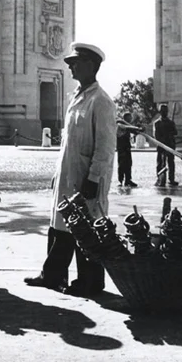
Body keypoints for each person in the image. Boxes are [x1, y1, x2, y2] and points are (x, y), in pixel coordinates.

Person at [24, 42, 117, 297]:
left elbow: (106, 146)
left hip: (87, 176)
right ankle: (52, 275)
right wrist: (57, 173)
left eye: (75, 63)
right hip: (68, 173)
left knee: (87, 230)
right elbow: (67, 142)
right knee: (61, 225)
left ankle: (91, 283)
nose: (71, 67)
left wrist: (95, 177)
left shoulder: (101, 101)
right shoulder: (76, 96)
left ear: (91, 66)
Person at [153, 103, 179, 187]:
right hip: (161, 145)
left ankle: (171, 179)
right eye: (163, 111)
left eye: (166, 111)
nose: (165, 112)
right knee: (160, 163)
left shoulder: (171, 122)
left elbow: (175, 132)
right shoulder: (157, 123)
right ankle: (160, 179)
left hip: (170, 145)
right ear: (160, 112)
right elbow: (156, 135)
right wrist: (162, 140)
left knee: (171, 163)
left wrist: (170, 132)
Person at [116, 112, 139, 187]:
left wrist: (138, 130)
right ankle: (120, 180)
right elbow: (128, 128)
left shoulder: (129, 126)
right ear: (125, 118)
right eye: (129, 118)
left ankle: (128, 180)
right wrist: (137, 128)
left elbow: (134, 131)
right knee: (122, 164)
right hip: (121, 148)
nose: (130, 120)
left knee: (129, 164)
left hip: (127, 148)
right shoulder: (120, 125)